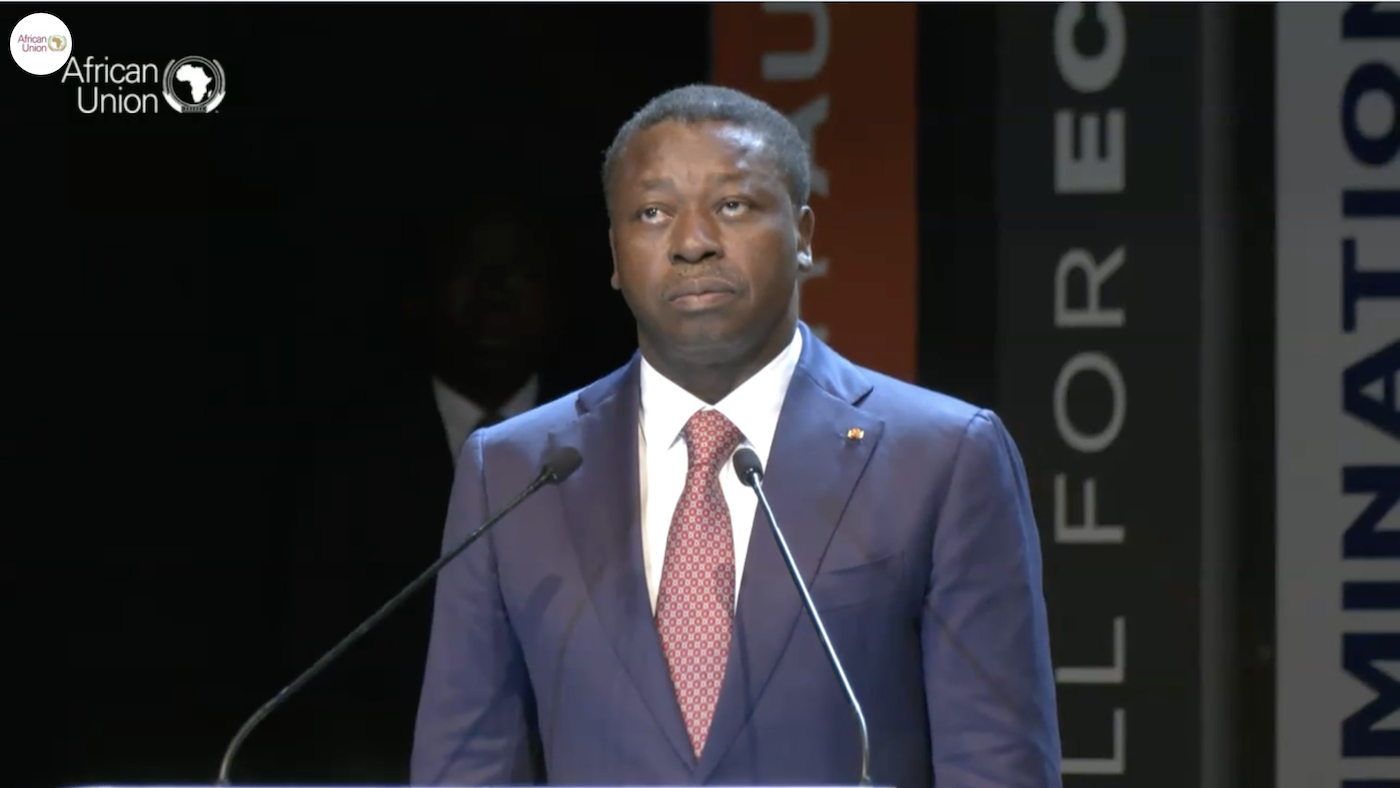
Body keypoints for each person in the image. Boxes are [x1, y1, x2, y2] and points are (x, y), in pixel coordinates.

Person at [411, 84, 1062, 788]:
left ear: (803, 235)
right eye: (653, 213)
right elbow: (465, 767)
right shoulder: (514, 472)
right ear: (614, 253)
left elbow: (997, 764)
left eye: (732, 206)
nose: (692, 243)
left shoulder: (943, 458)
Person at [262, 199, 580, 785]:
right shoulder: (346, 458)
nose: (495, 293)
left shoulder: (618, 440)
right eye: (470, 269)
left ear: (559, 299)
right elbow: (314, 661)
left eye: (520, 271)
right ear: (420, 297)